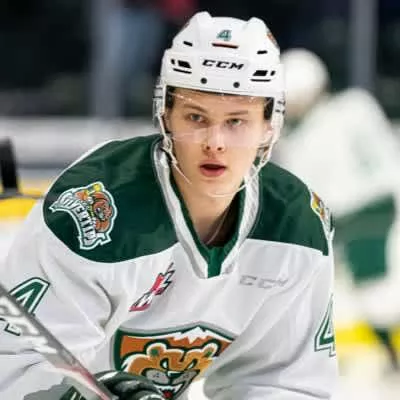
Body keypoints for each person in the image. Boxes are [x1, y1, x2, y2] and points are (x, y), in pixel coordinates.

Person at [0, 12, 338, 400]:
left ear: (269, 126)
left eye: (236, 121)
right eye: (196, 117)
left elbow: (282, 383)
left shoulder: (296, 227)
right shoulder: (96, 214)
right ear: (165, 115)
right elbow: (17, 370)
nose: (215, 142)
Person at [276, 48, 400, 373]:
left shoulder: (345, 113)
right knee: (355, 291)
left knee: (374, 290)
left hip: (367, 212)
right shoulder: (346, 111)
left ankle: (391, 355)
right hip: (354, 215)